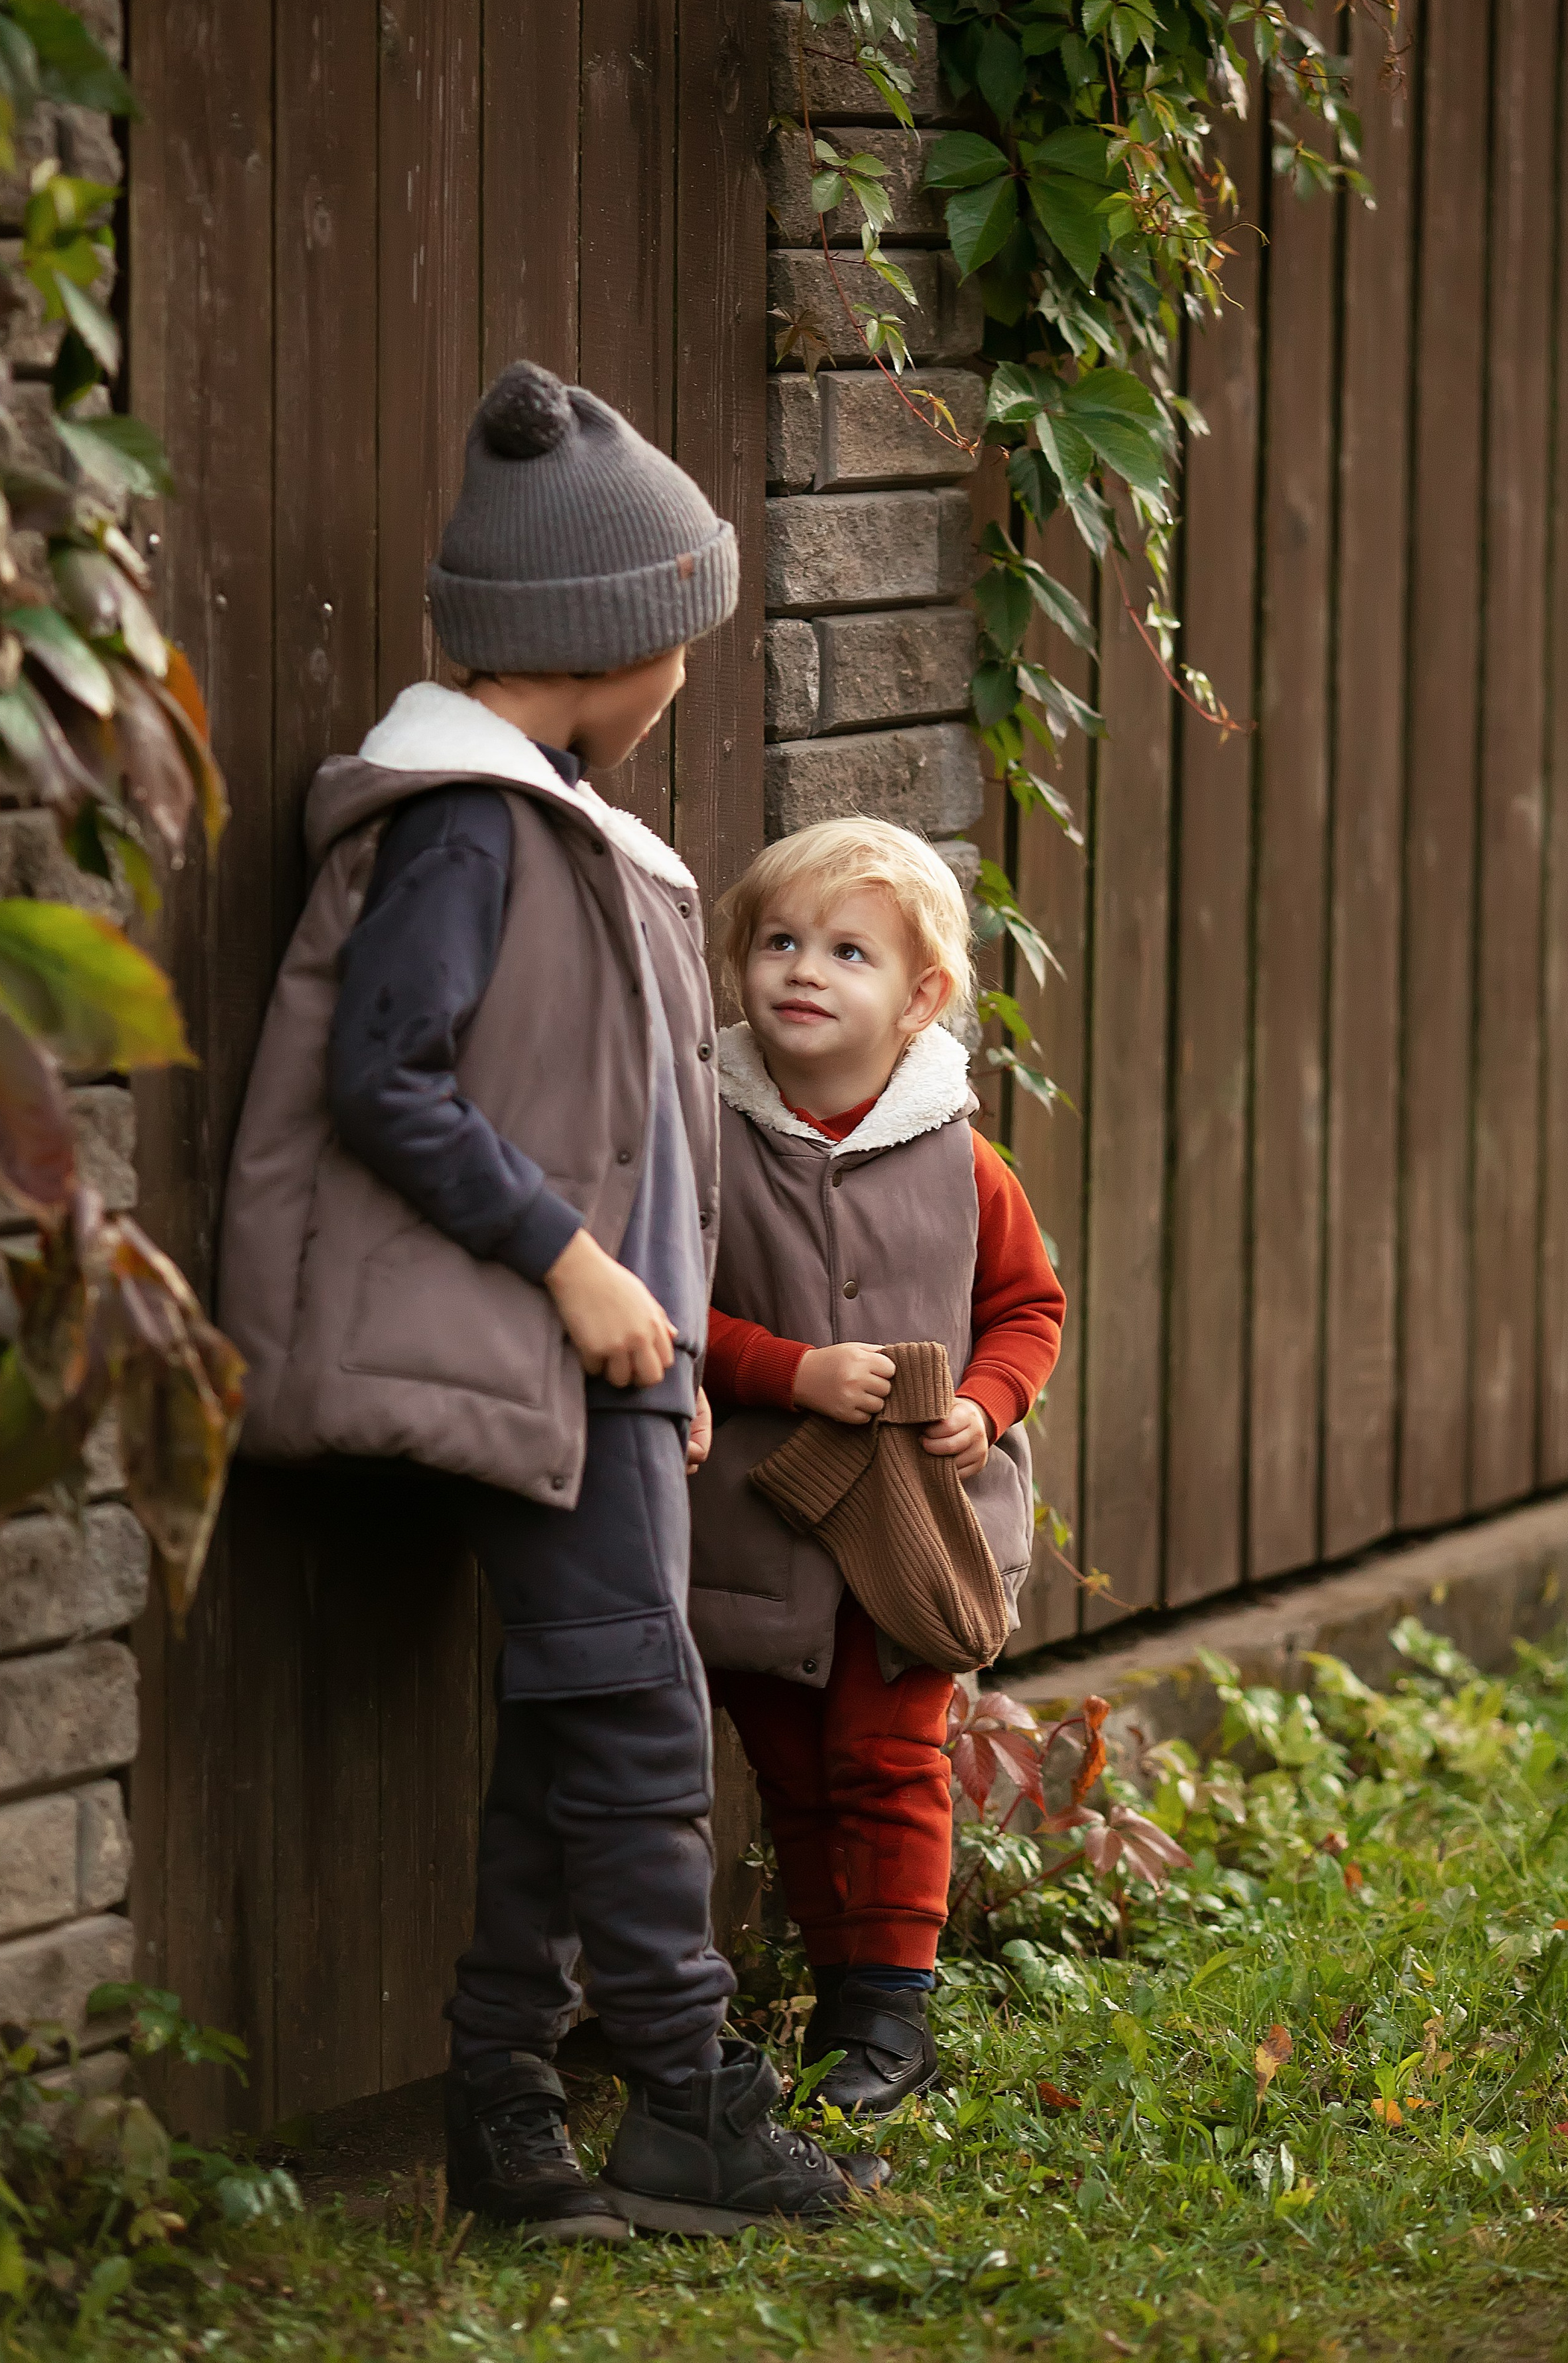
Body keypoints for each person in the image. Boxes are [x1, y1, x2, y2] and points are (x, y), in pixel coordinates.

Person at [218, 361, 865, 2242]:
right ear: (604, 639)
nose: (685, 675)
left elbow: (638, 1130)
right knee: (642, 1725)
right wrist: (579, 1272)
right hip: (548, 1354)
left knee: (587, 1730)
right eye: (678, 635)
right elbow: (388, 1082)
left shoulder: (576, 837)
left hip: (621, 1373)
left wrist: (665, 1332)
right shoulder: (465, 829)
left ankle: (506, 2126)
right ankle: (689, 2098)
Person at [690, 818, 1066, 2114]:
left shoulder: (960, 1159)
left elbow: (1029, 1307)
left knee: (890, 1756)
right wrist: (782, 1371)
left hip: (915, 1525)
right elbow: (667, 1307)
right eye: (778, 942)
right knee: (793, 1764)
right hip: (762, 1526)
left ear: (916, 1000)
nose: (803, 970)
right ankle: (838, 1985)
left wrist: (983, 1400)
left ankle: (892, 2012)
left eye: (846, 951)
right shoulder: (709, 1139)